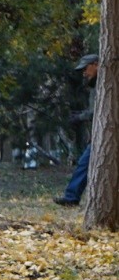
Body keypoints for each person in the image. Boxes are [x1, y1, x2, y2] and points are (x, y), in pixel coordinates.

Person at [56, 53, 99, 207]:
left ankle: (71, 197)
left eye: (86, 68)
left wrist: (81, 117)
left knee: (84, 163)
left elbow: (101, 111)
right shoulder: (96, 85)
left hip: (107, 136)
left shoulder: (108, 84)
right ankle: (71, 197)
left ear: (96, 64)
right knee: (84, 163)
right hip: (99, 136)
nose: (84, 73)